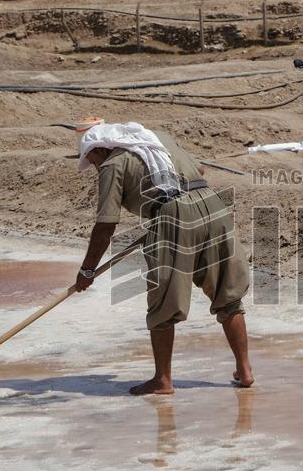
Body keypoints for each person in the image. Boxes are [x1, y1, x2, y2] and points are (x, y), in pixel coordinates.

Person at [73, 121, 253, 395]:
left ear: (101, 149)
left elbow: (106, 224)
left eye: (93, 159)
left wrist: (87, 270)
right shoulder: (157, 138)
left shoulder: (112, 165)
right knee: (227, 296)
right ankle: (245, 370)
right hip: (212, 206)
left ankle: (163, 380)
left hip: (173, 216)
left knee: (163, 300)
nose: (95, 167)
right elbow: (199, 170)